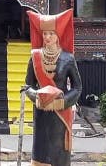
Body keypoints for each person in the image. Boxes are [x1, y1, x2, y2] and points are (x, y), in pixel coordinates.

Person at [24, 9, 82, 166]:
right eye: (45, 34)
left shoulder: (68, 58)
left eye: (51, 34)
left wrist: (62, 102)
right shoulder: (35, 56)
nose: (47, 37)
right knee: (41, 150)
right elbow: (27, 86)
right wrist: (35, 96)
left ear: (58, 36)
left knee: (58, 151)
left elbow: (77, 88)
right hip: (41, 112)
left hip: (60, 113)